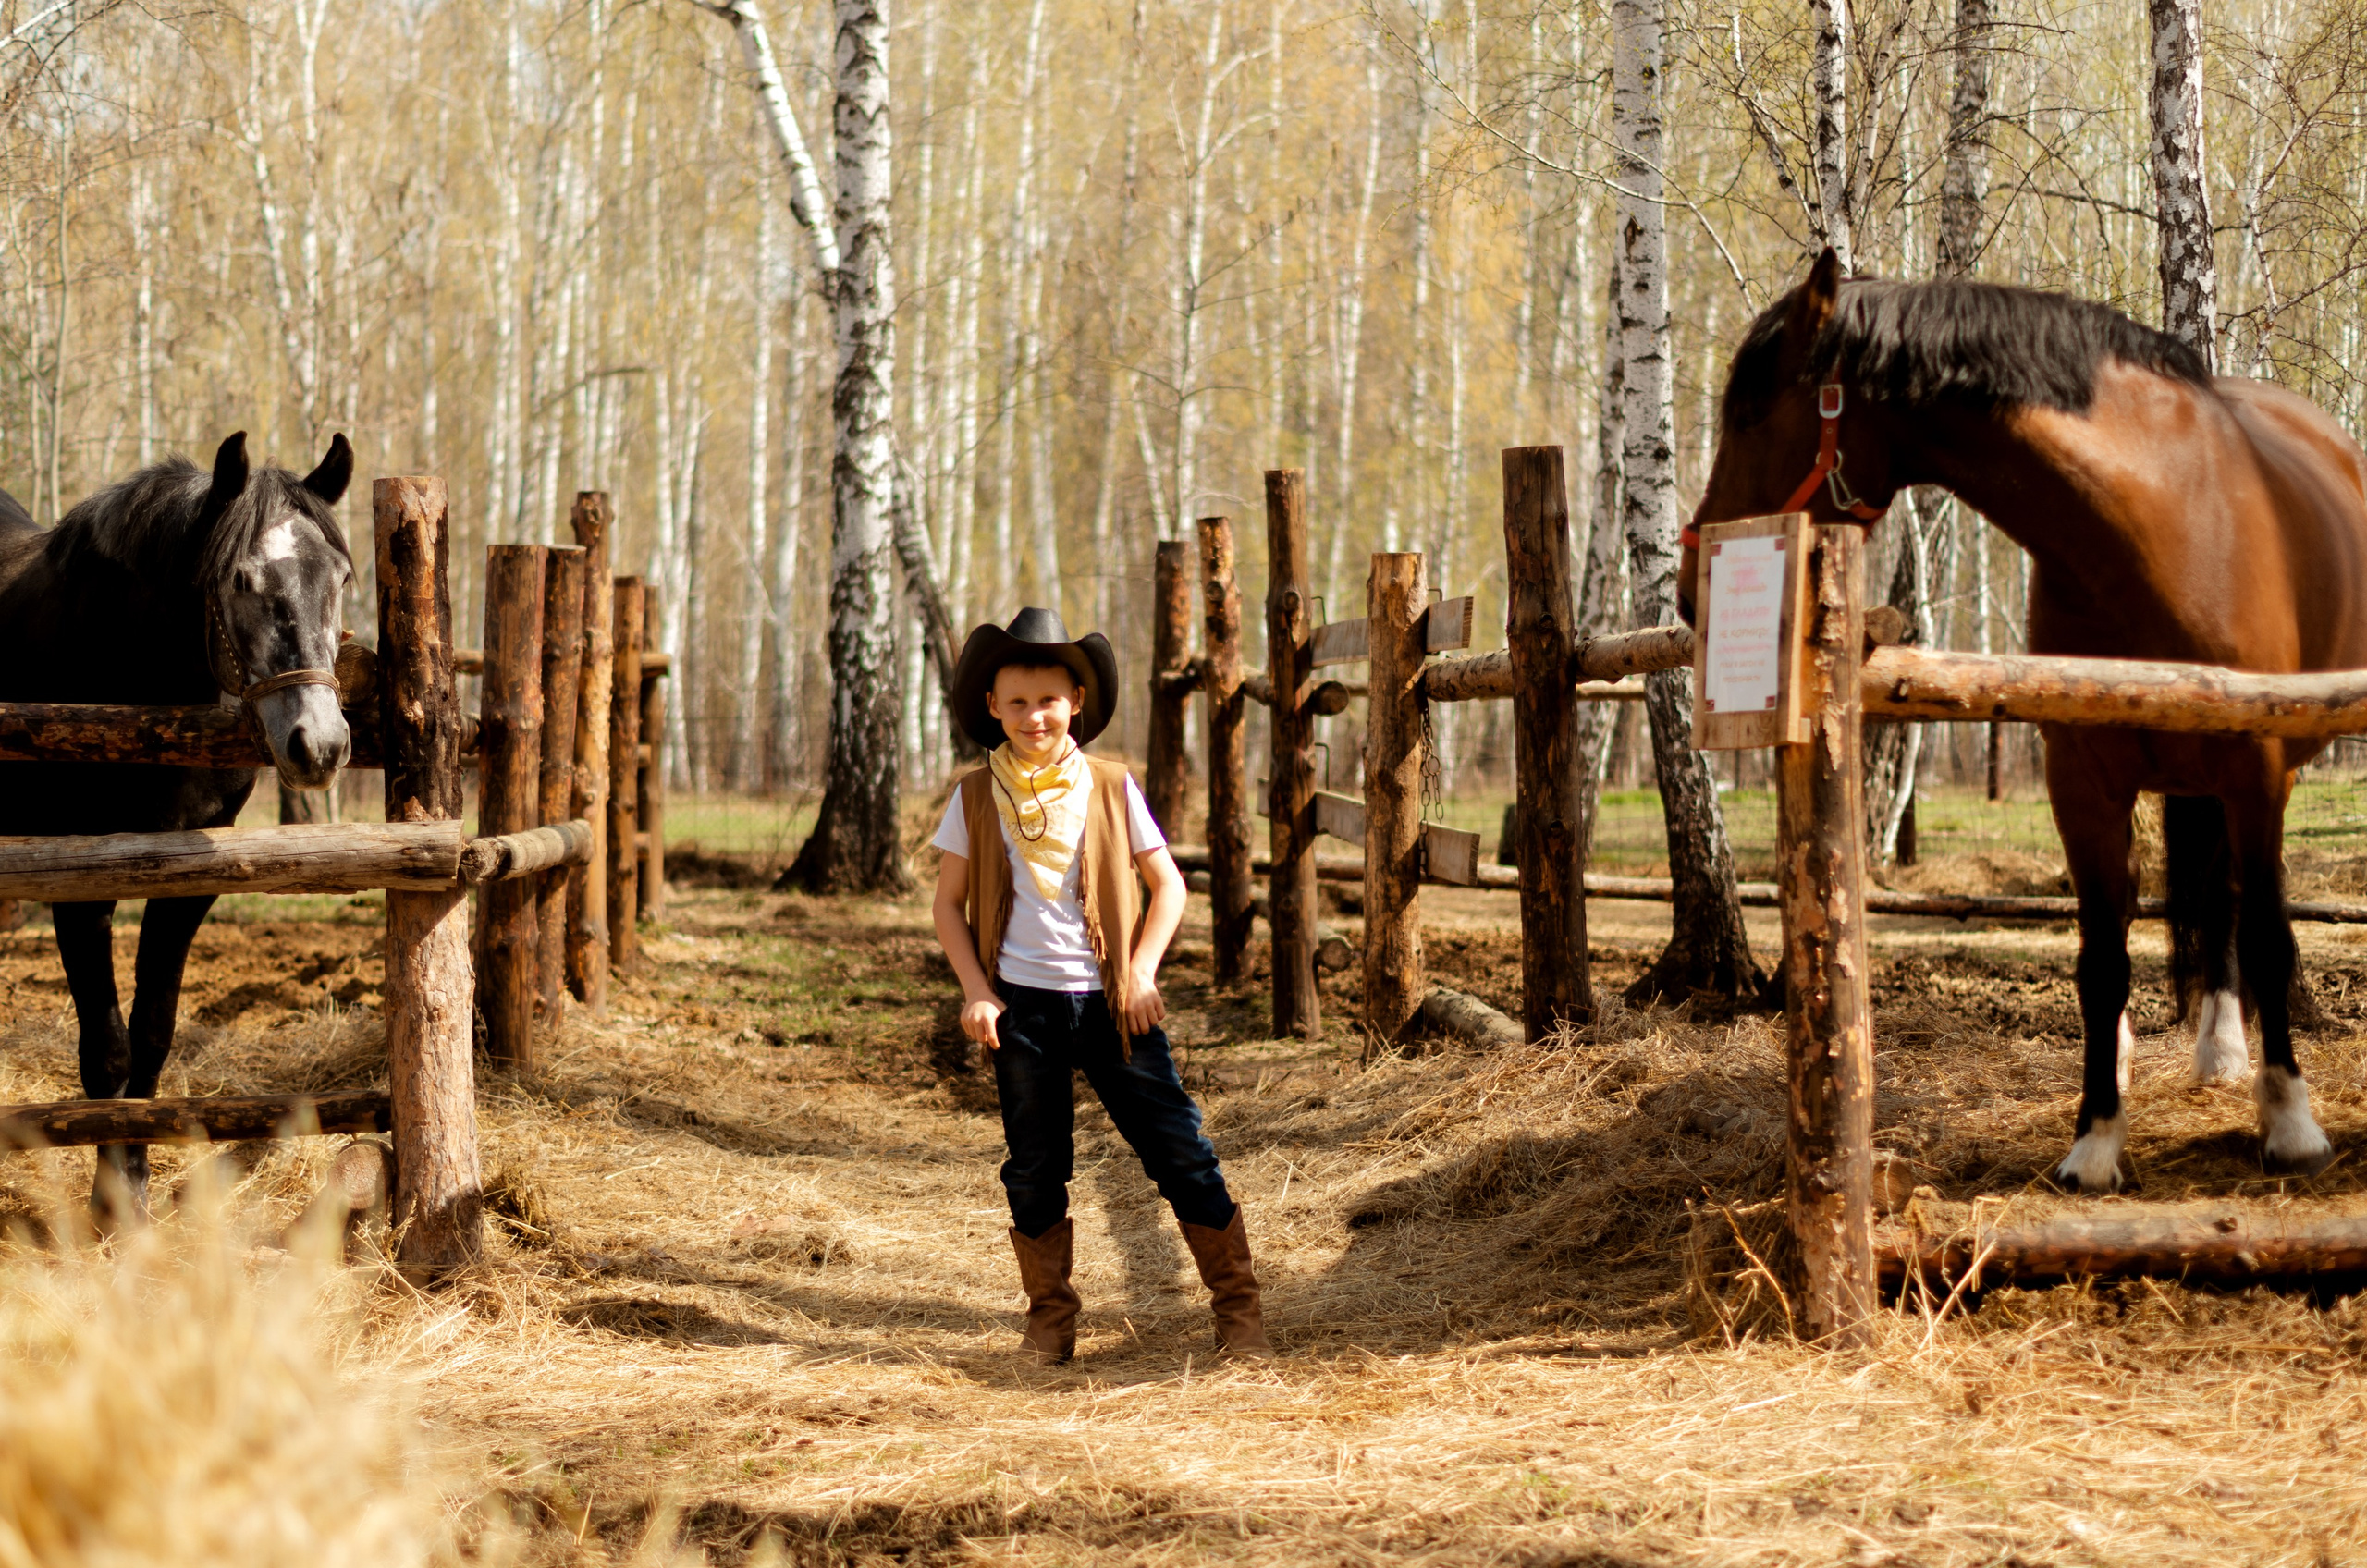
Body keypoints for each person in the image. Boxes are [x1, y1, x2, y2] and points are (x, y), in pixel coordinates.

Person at [929, 606, 1272, 1365]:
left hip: (1115, 1008)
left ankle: (1238, 1311)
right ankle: (1050, 1319)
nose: (1033, 716)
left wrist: (1142, 969)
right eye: (1015, 702)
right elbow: (946, 907)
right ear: (991, 707)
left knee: (1179, 1151)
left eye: (1049, 700)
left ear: (1076, 702)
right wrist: (977, 991)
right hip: (1022, 1011)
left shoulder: (1112, 788)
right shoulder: (975, 796)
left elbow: (1170, 888)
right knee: (1034, 1162)